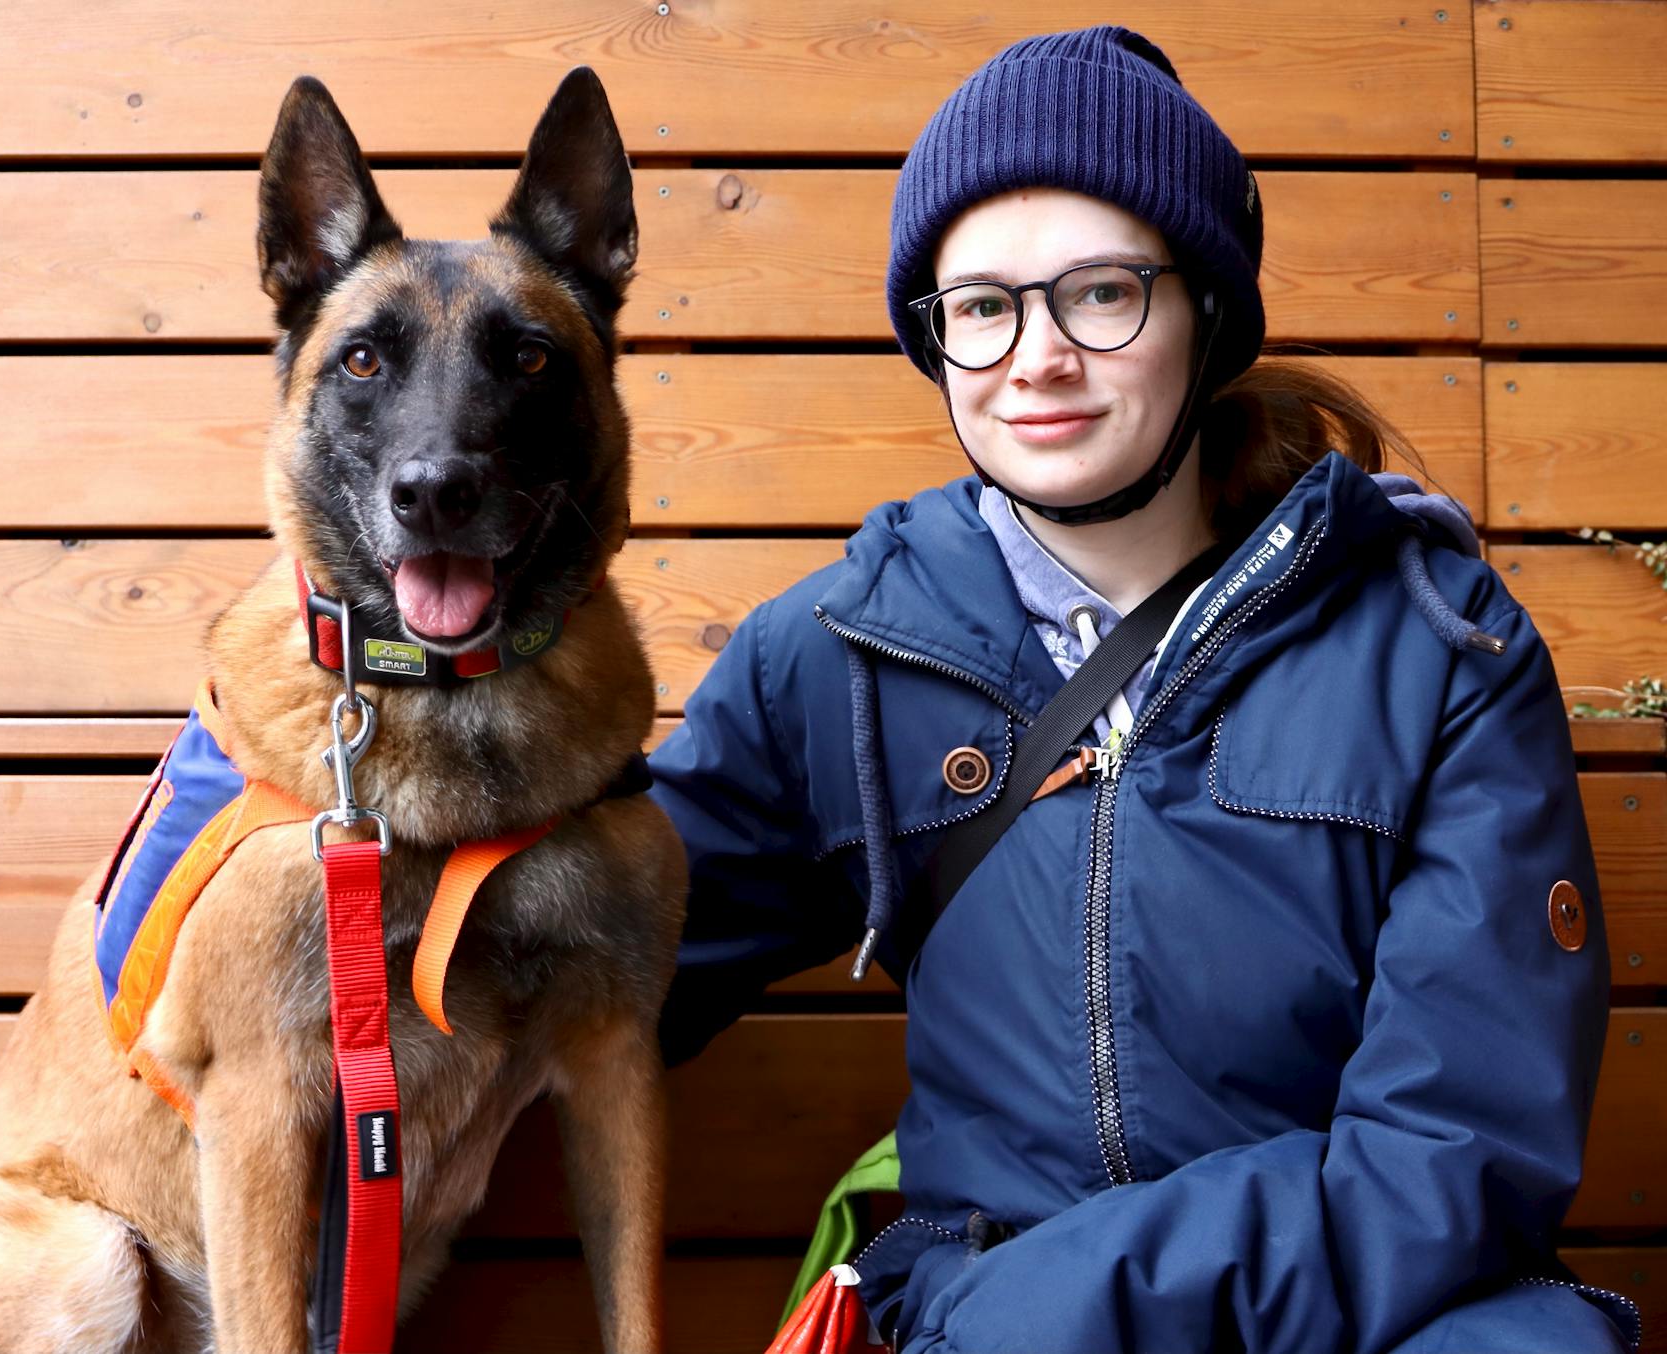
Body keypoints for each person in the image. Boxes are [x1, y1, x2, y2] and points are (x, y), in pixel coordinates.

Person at [647, 24, 1640, 1354]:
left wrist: (1067, 1308)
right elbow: (605, 955)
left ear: (1207, 313)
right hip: (986, 1290)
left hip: (1376, 1311)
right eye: (984, 307)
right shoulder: (839, 653)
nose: (1037, 356)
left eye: (1102, 293)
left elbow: (1460, 1149)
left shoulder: (1437, 645)